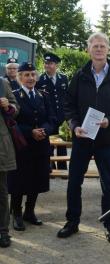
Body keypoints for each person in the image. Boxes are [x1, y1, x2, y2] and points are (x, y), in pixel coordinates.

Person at [57, 32, 110, 243]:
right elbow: (68, 105)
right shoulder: (79, 75)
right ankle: (72, 221)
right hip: (83, 138)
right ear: (88, 49)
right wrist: (74, 125)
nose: (98, 49)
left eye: (102, 46)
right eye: (95, 46)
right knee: (74, 182)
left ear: (108, 49)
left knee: (107, 184)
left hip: (106, 139)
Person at [8, 62, 56, 231]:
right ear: (20, 77)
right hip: (23, 147)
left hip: (41, 146)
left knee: (36, 179)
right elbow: (11, 122)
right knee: (19, 182)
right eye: (26, 75)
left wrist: (45, 130)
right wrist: (30, 132)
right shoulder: (14, 97)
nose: (30, 78)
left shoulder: (43, 95)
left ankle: (30, 211)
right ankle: (17, 214)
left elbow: (52, 119)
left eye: (33, 74)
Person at [37, 52, 69, 170]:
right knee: (48, 143)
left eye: (50, 63)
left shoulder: (63, 78)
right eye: (46, 63)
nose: (47, 65)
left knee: (62, 144)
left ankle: (62, 168)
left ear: (56, 65)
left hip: (62, 117)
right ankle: (49, 167)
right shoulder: (40, 80)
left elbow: (67, 98)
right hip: (48, 118)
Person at [0, 78, 19, 247]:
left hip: (0, 146)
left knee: (1, 192)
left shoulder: (1, 83)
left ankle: (2, 231)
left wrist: (8, 106)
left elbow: (15, 108)